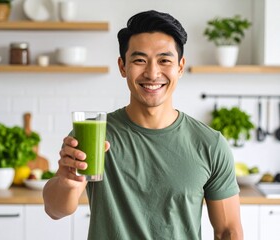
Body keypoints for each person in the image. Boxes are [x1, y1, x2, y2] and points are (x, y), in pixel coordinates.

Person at [43, 10, 243, 240]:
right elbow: (55, 210)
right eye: (139, 60)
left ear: (180, 67)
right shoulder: (94, 134)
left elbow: (229, 231)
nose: (152, 73)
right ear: (122, 66)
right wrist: (67, 180)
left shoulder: (209, 144)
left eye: (164, 60)